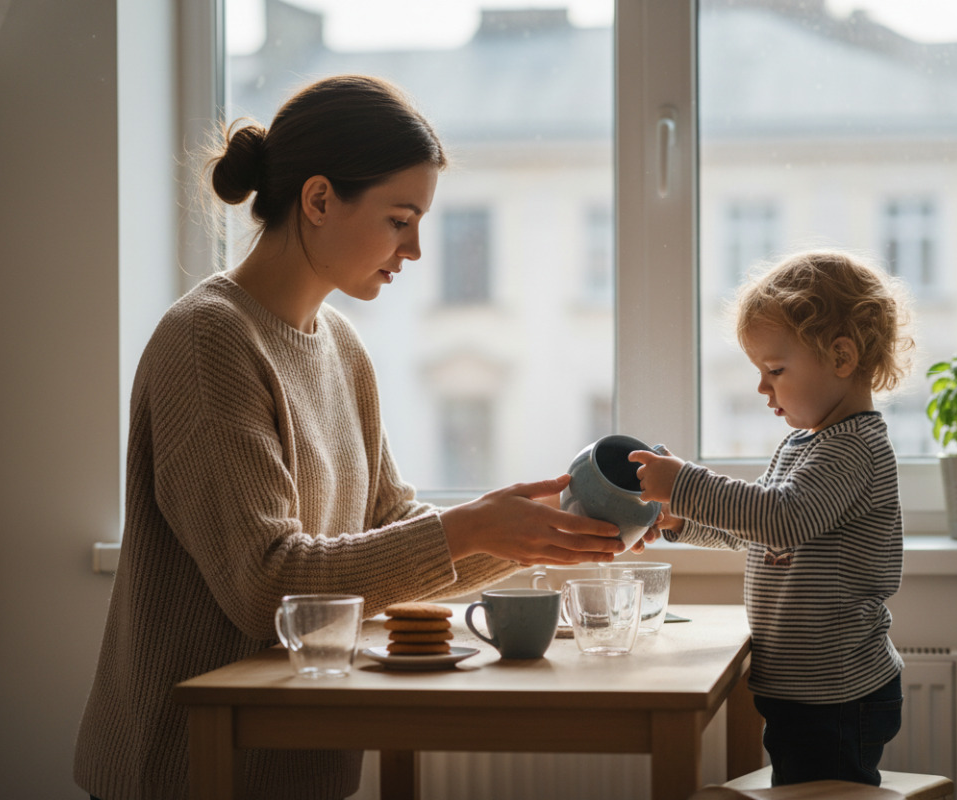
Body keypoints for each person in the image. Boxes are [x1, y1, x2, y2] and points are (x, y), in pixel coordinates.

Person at [73, 74, 627, 800]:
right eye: (399, 220)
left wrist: (546, 528)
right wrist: (472, 527)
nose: (416, 249)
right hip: (188, 767)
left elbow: (389, 533)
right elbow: (267, 586)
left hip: (297, 761)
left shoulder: (341, 344)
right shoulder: (209, 341)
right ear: (318, 200)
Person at [630, 249, 914, 787]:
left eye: (775, 370)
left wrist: (685, 484)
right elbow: (759, 531)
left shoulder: (855, 448)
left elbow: (780, 519)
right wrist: (679, 520)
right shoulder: (806, 445)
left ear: (842, 357)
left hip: (837, 693)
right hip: (806, 688)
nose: (763, 388)